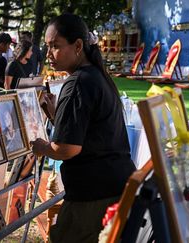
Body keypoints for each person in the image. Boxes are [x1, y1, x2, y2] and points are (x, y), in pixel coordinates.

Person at [30, 13, 136, 243]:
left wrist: (42, 147)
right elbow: (90, 135)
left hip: (93, 197)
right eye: (47, 47)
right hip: (112, 187)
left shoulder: (78, 82)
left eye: (55, 46)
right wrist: (58, 115)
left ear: (78, 46)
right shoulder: (96, 76)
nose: (49, 54)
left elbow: (67, 149)